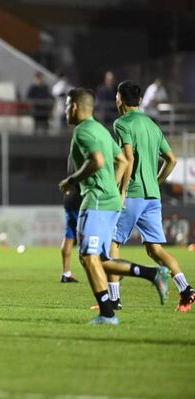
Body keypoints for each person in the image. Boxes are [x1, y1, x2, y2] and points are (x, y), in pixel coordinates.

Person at [59, 88, 170, 325]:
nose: (65, 110)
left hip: (96, 199)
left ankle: (107, 313)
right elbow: (122, 160)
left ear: (76, 107)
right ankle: (152, 273)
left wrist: (71, 180)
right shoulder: (100, 128)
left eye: (67, 105)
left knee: (88, 257)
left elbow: (97, 161)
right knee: (99, 257)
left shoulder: (83, 131)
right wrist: (117, 190)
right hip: (110, 200)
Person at [110, 80, 195, 312]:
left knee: (112, 243)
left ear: (120, 99)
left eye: (116, 97)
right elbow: (172, 159)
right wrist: (156, 182)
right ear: (139, 100)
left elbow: (127, 158)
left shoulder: (122, 123)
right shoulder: (152, 125)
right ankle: (186, 289)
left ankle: (113, 299)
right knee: (154, 249)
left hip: (133, 193)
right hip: (152, 196)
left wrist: (123, 191)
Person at [60, 152, 81, 283]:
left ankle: (66, 273)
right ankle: (104, 270)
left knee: (69, 235)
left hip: (69, 196)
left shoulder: (72, 153)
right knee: (90, 235)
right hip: (81, 197)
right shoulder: (86, 151)